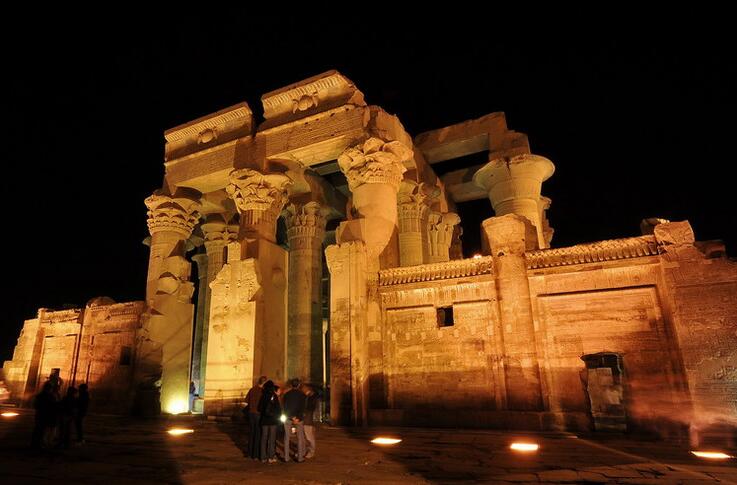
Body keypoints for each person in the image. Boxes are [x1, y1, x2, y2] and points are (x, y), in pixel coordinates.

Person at [282, 378, 306, 463]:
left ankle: (286, 457)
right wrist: (297, 418)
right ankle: (300, 458)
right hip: (298, 419)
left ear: (291, 385)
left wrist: (291, 417)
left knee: (286, 437)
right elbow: (302, 408)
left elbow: (285, 407)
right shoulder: (302, 395)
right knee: (300, 438)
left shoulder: (286, 394)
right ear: (298, 385)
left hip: (288, 418)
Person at [257, 380, 281, 463]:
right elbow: (278, 409)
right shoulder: (274, 396)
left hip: (264, 421)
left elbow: (259, 408)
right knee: (272, 439)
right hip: (273, 421)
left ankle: (263, 457)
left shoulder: (263, 396)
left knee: (264, 438)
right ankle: (270, 457)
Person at [244, 376, 267, 460]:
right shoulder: (263, 391)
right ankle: (256, 454)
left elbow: (246, 401)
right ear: (264, 383)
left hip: (251, 413)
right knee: (258, 434)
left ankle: (249, 453)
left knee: (251, 433)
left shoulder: (252, 389)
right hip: (258, 414)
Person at [31, 382, 58, 450]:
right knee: (42, 430)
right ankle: (39, 444)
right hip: (45, 415)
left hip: (40, 414)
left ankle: (35, 443)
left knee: (38, 429)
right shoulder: (51, 396)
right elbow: (54, 406)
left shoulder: (40, 396)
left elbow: (35, 405)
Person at [302, 384, 322, 459]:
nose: (303, 390)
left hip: (309, 420)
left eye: (304, 388)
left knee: (309, 437)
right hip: (308, 419)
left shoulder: (313, 398)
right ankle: (307, 451)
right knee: (308, 436)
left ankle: (311, 452)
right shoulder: (309, 397)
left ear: (308, 389)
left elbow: (314, 410)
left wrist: (315, 421)